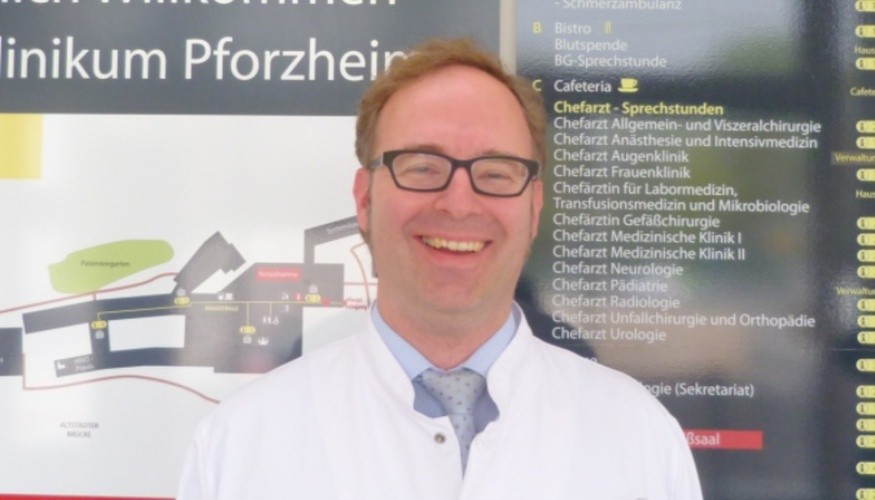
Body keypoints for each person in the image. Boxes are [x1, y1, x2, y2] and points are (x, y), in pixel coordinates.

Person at [177, 37, 702, 499]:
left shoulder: (639, 437)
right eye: (423, 167)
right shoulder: (239, 444)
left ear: (534, 207)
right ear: (365, 199)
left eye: (495, 173)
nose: (458, 204)